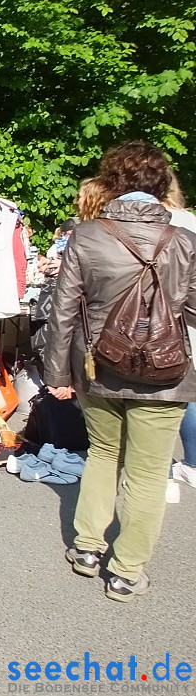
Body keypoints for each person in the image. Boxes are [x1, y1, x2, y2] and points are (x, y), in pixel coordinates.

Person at [44, 141, 196, 602]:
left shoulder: (86, 236)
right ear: (160, 184)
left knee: (104, 454)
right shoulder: (186, 241)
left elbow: (63, 312)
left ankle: (88, 548)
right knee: (148, 472)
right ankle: (127, 571)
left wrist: (57, 375)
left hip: (98, 365)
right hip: (166, 371)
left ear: (113, 184)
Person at [161, 169, 196, 489]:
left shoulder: (155, 222)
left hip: (160, 319)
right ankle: (193, 461)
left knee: (163, 395)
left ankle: (159, 467)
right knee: (190, 391)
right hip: (190, 315)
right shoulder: (192, 222)